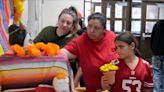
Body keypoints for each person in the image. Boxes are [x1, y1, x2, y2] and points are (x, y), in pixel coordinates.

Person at [61, 12, 118, 92]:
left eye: (97, 28)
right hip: (92, 89)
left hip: (115, 87)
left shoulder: (112, 37)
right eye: (89, 26)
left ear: (104, 29)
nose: (92, 30)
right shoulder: (80, 41)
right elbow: (63, 53)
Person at [150, 20, 164, 92]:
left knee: (156, 74)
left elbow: (152, 39)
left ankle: (157, 90)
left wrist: (154, 49)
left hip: (156, 54)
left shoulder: (157, 25)